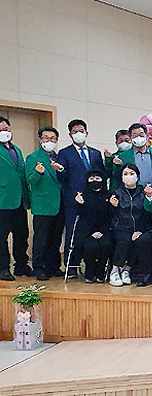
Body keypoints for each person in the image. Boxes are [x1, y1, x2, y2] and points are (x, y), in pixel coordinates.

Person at [56, 119, 104, 277]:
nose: (79, 134)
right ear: (70, 134)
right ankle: (71, 267)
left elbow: (102, 175)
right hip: (73, 200)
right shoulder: (64, 153)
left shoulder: (95, 153)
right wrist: (60, 169)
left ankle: (92, 265)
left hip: (92, 200)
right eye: (75, 131)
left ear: (86, 133)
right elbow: (62, 176)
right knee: (72, 232)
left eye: (81, 131)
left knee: (93, 230)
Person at [25, 126, 64, 280]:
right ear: (40, 139)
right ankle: (39, 267)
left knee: (56, 237)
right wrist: (38, 172)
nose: (50, 141)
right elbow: (30, 180)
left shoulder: (59, 157)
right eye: (46, 138)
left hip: (59, 203)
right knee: (41, 238)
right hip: (42, 204)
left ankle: (53, 266)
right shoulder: (33, 157)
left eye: (53, 138)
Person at [108, 163, 151, 287]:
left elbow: (146, 213)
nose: (129, 177)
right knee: (124, 241)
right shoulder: (117, 193)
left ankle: (127, 269)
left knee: (139, 240)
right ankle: (115, 270)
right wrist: (114, 206)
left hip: (138, 227)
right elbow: (110, 215)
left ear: (137, 176)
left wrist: (140, 230)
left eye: (132, 174)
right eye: (125, 174)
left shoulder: (143, 192)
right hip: (120, 227)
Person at [72, 170, 113, 283]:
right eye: (91, 178)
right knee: (90, 246)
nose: (94, 181)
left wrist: (101, 231)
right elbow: (81, 216)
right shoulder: (82, 196)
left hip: (104, 231)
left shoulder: (108, 196)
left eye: (97, 178)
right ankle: (89, 273)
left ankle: (100, 272)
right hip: (86, 232)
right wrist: (80, 204)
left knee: (106, 244)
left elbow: (110, 217)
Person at [112, 123, 152, 187]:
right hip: (133, 191)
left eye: (141, 134)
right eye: (135, 135)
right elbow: (117, 177)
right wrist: (117, 166)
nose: (138, 137)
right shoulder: (123, 156)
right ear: (131, 137)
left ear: (146, 136)